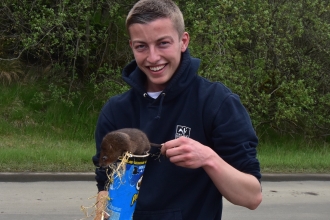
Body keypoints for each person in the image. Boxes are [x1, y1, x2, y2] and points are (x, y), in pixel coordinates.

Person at [92, 0, 262, 219]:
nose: (153, 58)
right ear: (131, 46)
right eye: (141, 46)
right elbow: (105, 184)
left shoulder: (217, 103)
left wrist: (208, 158)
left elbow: (251, 197)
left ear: (183, 41)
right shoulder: (115, 111)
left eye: (163, 43)